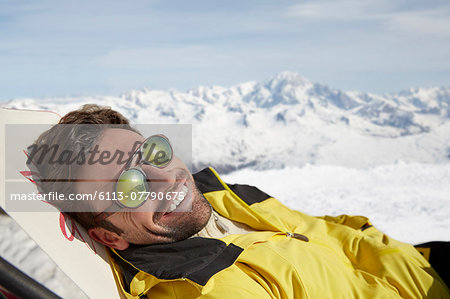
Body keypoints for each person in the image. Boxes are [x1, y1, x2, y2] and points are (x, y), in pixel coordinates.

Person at [28, 104, 449, 298]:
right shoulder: (208, 287)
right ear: (108, 236)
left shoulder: (214, 195)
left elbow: (317, 229)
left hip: (417, 263)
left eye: (151, 152)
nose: (164, 177)